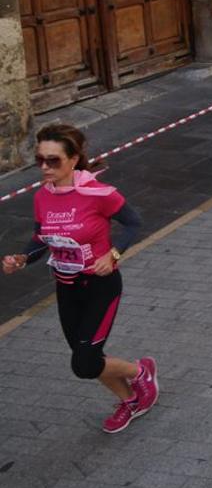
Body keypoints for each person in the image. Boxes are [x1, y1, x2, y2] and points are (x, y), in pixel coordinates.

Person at [2, 124, 158, 433]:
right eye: (40, 160)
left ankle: (141, 372)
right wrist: (22, 258)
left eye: (54, 160)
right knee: (87, 357)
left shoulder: (98, 194)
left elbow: (132, 222)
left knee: (84, 364)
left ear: (74, 160)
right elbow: (41, 239)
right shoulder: (42, 198)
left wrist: (112, 254)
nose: (45, 168)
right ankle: (131, 401)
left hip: (101, 287)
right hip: (66, 288)